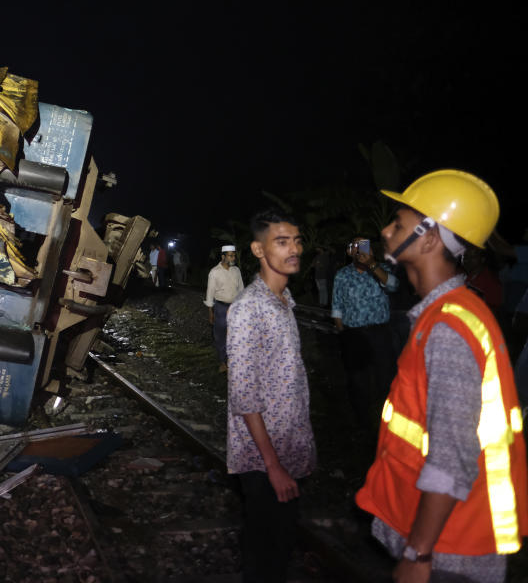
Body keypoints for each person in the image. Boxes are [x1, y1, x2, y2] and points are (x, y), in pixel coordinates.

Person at [356, 170, 528, 583]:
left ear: (430, 239)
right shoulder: (448, 314)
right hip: (446, 537)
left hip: (449, 551)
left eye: (398, 224)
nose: (385, 229)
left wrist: (417, 554)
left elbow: (451, 459)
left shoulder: (449, 328)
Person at [226, 210, 316, 582]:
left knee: (281, 545)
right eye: (282, 242)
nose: (293, 249)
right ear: (258, 250)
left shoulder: (284, 301)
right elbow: (244, 396)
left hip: (291, 447)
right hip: (264, 459)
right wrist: (273, 466)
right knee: (265, 553)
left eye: (296, 240)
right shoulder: (249, 308)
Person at [331, 237, 399, 430]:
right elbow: (337, 306)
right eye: (355, 247)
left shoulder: (381, 269)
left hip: (380, 333)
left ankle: (391, 423)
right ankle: (363, 425)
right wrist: (342, 334)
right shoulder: (342, 275)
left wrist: (372, 265)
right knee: (358, 382)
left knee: (386, 379)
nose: (360, 250)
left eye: (364, 246)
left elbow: (394, 286)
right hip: (354, 335)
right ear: (350, 252)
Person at [205, 245, 244, 373]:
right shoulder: (214, 272)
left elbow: (241, 290)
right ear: (223, 256)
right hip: (221, 307)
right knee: (221, 335)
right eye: (230, 255)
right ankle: (222, 362)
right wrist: (210, 312)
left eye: (234, 255)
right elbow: (210, 293)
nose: (233, 258)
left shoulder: (236, 271)